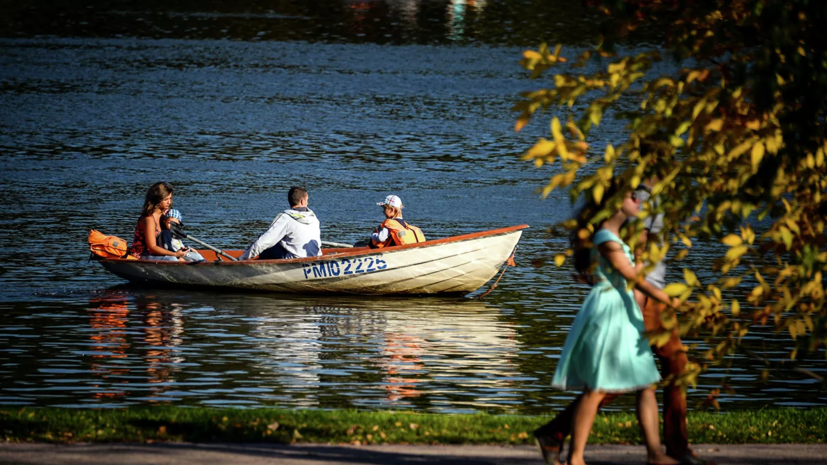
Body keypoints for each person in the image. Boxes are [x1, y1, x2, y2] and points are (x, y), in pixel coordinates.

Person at [533, 180, 709, 465]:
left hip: (628, 307)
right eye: (632, 197)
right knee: (602, 386)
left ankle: (655, 453)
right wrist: (673, 301)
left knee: (645, 382)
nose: (638, 199)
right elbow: (634, 277)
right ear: (617, 203)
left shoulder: (622, 231)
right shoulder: (607, 236)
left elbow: (637, 265)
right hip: (613, 312)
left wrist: (640, 249)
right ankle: (573, 454)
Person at [238, 186, 322, 261]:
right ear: (302, 201)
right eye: (307, 200)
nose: (307, 203)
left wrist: (242, 258)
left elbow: (263, 242)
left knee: (264, 242)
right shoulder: (314, 218)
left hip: (294, 260)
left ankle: (255, 269)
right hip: (315, 256)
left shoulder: (286, 218)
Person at [128, 182, 189, 261]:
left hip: (159, 252)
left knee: (195, 256)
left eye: (170, 198)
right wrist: (175, 254)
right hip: (142, 254)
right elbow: (152, 247)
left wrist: (185, 249)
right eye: (166, 199)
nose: (169, 202)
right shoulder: (149, 219)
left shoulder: (165, 216)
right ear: (156, 199)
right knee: (172, 259)